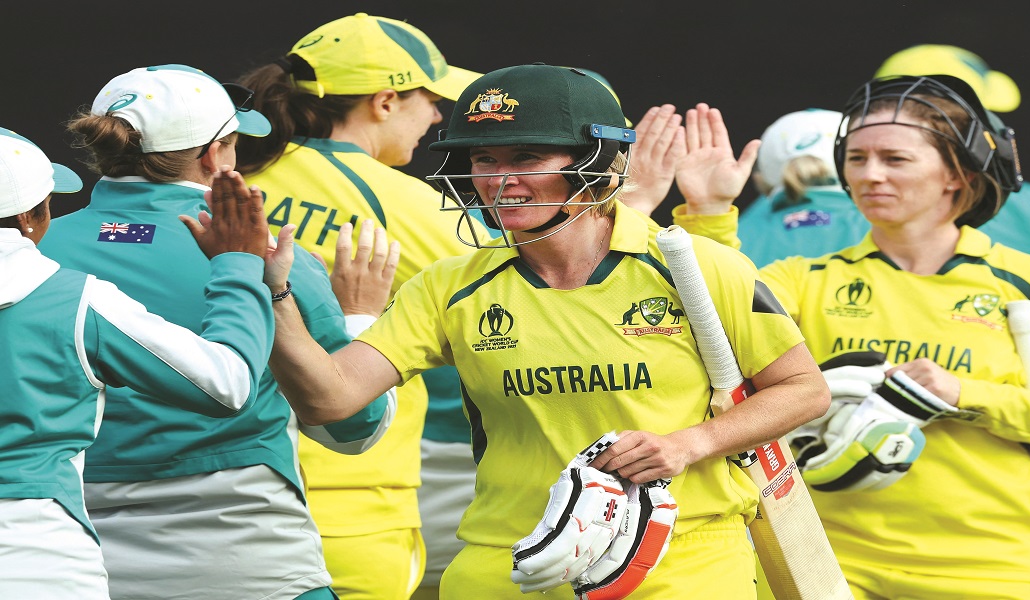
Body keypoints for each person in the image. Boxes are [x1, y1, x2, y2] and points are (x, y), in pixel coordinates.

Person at [261, 63, 830, 600]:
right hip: (507, 563)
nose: (499, 181)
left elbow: (805, 389)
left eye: (527, 156)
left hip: (682, 562)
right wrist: (276, 296)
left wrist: (690, 444)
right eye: (482, 159)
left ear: (597, 161)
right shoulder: (448, 286)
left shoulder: (697, 264)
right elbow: (331, 398)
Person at [729, 75, 1030, 598]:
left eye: (894, 160)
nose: (870, 175)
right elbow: (713, 326)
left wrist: (962, 394)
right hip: (828, 571)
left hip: (994, 573)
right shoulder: (804, 279)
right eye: (856, 159)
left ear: (956, 175)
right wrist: (711, 212)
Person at [37, 64, 395, 600]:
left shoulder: (33, 251)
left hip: (76, 562)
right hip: (247, 564)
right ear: (214, 154)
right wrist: (361, 317)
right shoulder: (274, 258)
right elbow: (353, 428)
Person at [236, 14, 483, 598]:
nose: (439, 115)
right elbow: (542, 280)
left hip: (226, 496)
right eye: (431, 97)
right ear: (387, 101)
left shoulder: (232, 178)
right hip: (357, 507)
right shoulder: (407, 203)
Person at [0, 129, 273, 598]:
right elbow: (227, 384)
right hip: (37, 562)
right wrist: (237, 265)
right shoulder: (78, 300)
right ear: (28, 216)